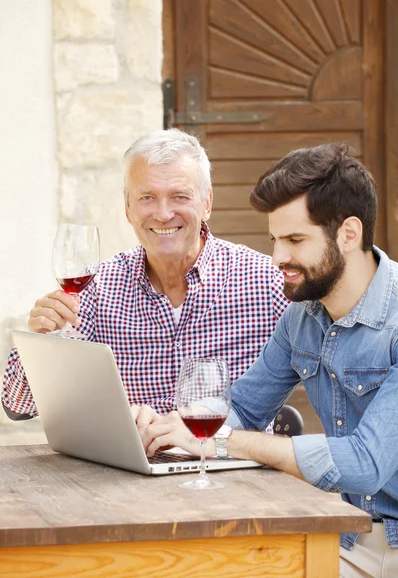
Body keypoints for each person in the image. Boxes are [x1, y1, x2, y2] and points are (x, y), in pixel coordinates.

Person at [136, 144, 398, 578]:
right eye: (275, 239)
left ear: (348, 234)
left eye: (295, 240)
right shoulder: (303, 316)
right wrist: (170, 426)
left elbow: (365, 464)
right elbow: (244, 410)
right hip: (345, 539)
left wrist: (219, 442)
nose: (277, 257)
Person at [2, 128, 289, 422]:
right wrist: (42, 340)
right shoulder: (99, 287)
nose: (163, 214)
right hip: (131, 466)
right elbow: (19, 407)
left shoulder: (266, 280)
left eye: (179, 196)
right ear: (128, 209)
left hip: (230, 465)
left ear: (207, 204)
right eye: (147, 198)